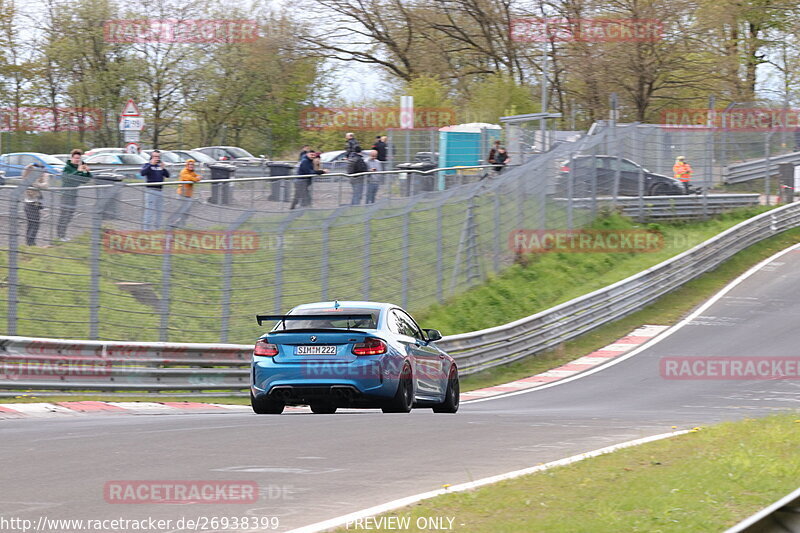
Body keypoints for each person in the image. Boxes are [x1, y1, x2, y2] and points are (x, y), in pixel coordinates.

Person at [57, 149, 92, 241]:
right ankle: (60, 235)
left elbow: (85, 180)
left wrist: (87, 172)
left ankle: (63, 235)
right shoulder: (67, 168)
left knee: (70, 215)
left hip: (73, 195)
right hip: (66, 195)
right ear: (72, 158)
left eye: (78, 158)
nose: (77, 160)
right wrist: (79, 171)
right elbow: (70, 178)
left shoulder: (78, 167)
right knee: (64, 215)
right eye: (75, 158)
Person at [140, 150, 170, 230]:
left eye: (158, 157)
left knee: (159, 211)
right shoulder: (147, 165)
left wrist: (164, 168)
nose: (157, 158)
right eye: (155, 156)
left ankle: (157, 229)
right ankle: (146, 230)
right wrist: (150, 164)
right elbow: (142, 173)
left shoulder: (160, 166)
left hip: (160, 190)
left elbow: (167, 175)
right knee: (149, 211)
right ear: (151, 157)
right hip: (151, 190)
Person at [22, 164, 49, 246]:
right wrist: (46, 177)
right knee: (34, 224)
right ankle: (31, 243)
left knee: (32, 224)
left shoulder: (28, 178)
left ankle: (29, 242)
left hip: (31, 204)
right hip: (31, 205)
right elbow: (45, 186)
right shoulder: (30, 180)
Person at [175, 159, 201, 225]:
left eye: (192, 164)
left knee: (187, 211)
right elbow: (193, 179)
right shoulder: (184, 171)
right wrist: (197, 178)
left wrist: (197, 177)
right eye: (189, 164)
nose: (191, 166)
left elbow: (197, 176)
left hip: (188, 195)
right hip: (182, 195)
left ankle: (182, 223)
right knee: (182, 210)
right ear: (186, 165)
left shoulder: (191, 172)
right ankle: (174, 223)